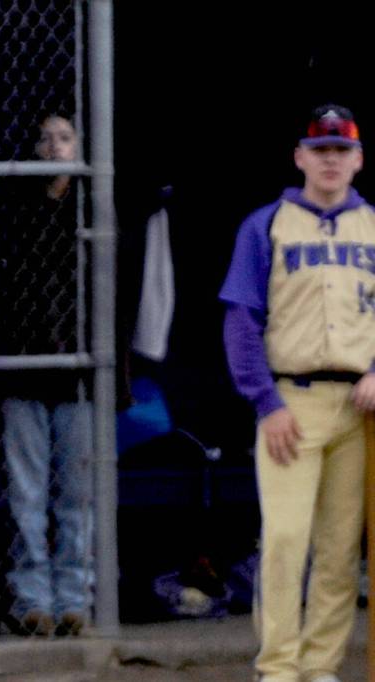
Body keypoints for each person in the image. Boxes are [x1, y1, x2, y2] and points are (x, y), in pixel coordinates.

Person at [219, 103, 375, 682]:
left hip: (359, 407)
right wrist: (266, 402)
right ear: (300, 157)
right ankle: (279, 667)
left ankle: (320, 666)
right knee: (286, 541)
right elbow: (241, 318)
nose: (330, 160)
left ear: (358, 160)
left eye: (341, 150)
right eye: (320, 149)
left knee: (340, 551)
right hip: (292, 401)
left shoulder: (373, 225)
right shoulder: (267, 224)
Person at [0, 114, 92, 637]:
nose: (53, 147)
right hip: (23, 367)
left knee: (77, 494)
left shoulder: (92, 210)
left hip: (77, 371)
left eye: (64, 139)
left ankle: (76, 599)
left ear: (79, 148)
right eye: (44, 139)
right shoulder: (14, 210)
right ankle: (34, 600)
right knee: (27, 495)